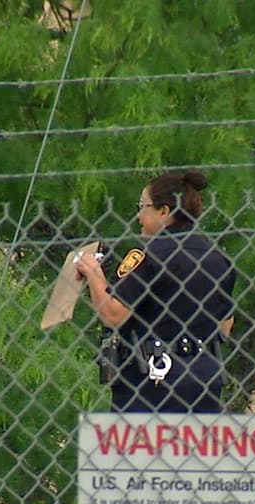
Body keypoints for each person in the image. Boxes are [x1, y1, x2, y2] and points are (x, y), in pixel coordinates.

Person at [75, 171, 236, 413]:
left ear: (164, 211)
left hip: (151, 385)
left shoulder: (148, 254)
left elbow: (113, 314)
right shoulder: (218, 258)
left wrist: (93, 272)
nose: (139, 216)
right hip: (204, 382)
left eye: (143, 207)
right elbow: (225, 326)